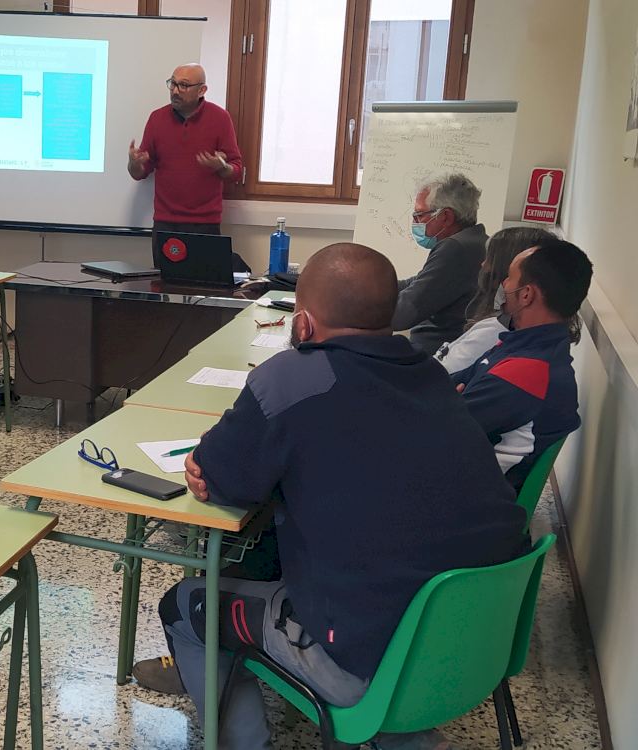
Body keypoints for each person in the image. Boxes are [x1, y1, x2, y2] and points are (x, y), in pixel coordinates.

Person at [132, 244, 527, 750]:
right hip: (476, 643)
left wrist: (211, 461)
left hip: (365, 664)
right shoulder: (431, 375)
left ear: (302, 322)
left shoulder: (291, 377)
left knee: (186, 604)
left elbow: (222, 480)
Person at [453, 238, 592, 488]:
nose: (504, 284)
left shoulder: (527, 372)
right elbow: (450, 386)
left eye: (509, 277)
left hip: (470, 496)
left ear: (526, 294)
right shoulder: (525, 346)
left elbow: (439, 428)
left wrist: (444, 403)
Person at [128, 64, 243, 265]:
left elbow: (236, 170)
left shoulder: (220, 118)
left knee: (205, 282)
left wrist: (222, 167)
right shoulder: (157, 118)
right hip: (165, 224)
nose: (175, 91)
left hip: (205, 225)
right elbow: (140, 172)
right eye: (173, 83)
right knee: (164, 282)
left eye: (184, 85)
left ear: (202, 90)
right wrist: (134, 164)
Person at [435, 226, 556, 372]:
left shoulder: (495, 333)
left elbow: (440, 374)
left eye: (490, 259)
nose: (483, 264)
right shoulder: (502, 325)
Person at [393, 173, 488, 355]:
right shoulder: (474, 241)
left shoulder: (455, 249)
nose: (414, 223)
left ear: (446, 216)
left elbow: (402, 315)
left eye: (419, 215)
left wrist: (358, 306)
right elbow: (417, 282)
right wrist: (371, 286)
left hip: (435, 356)